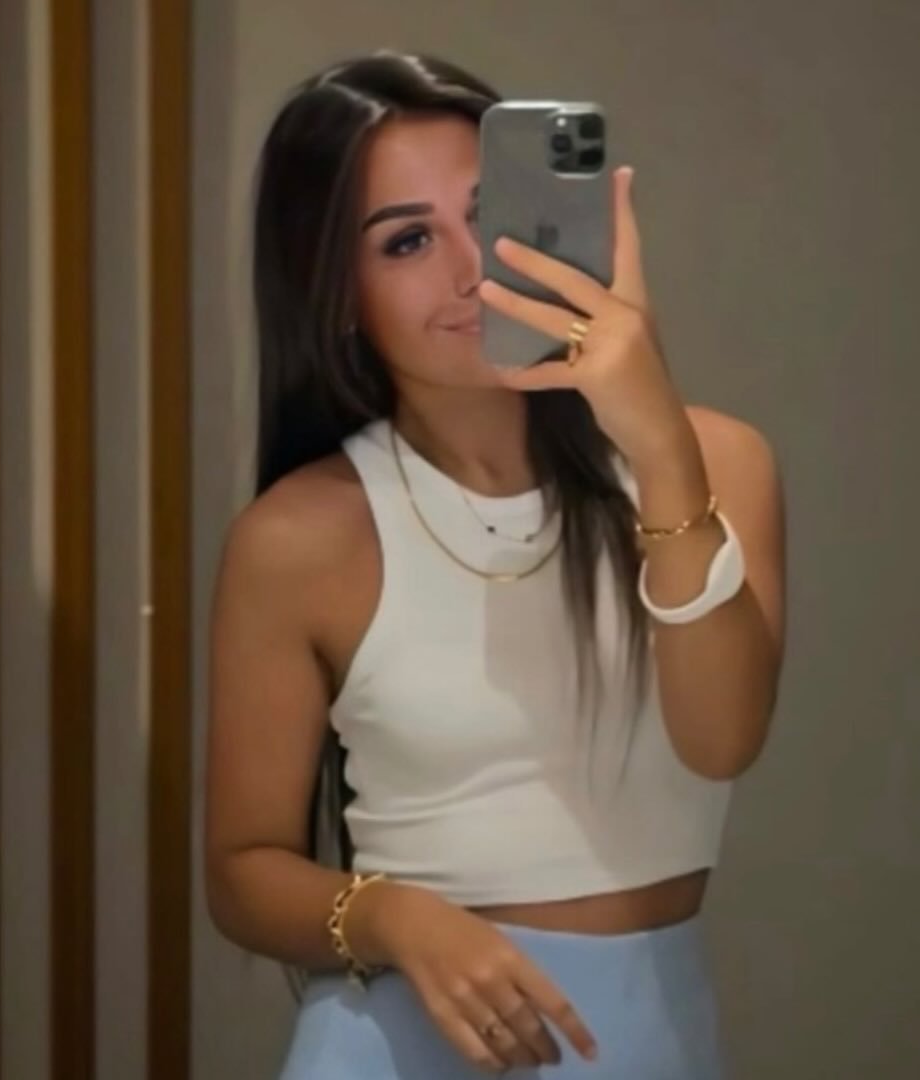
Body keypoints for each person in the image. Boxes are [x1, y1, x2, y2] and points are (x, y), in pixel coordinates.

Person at [204, 49, 786, 1079]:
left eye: (491, 212)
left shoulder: (715, 462)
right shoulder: (301, 536)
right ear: (339, 294)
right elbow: (242, 871)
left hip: (651, 1036)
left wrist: (656, 443)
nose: (473, 266)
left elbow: (721, 737)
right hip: (401, 1040)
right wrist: (393, 917)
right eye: (408, 240)